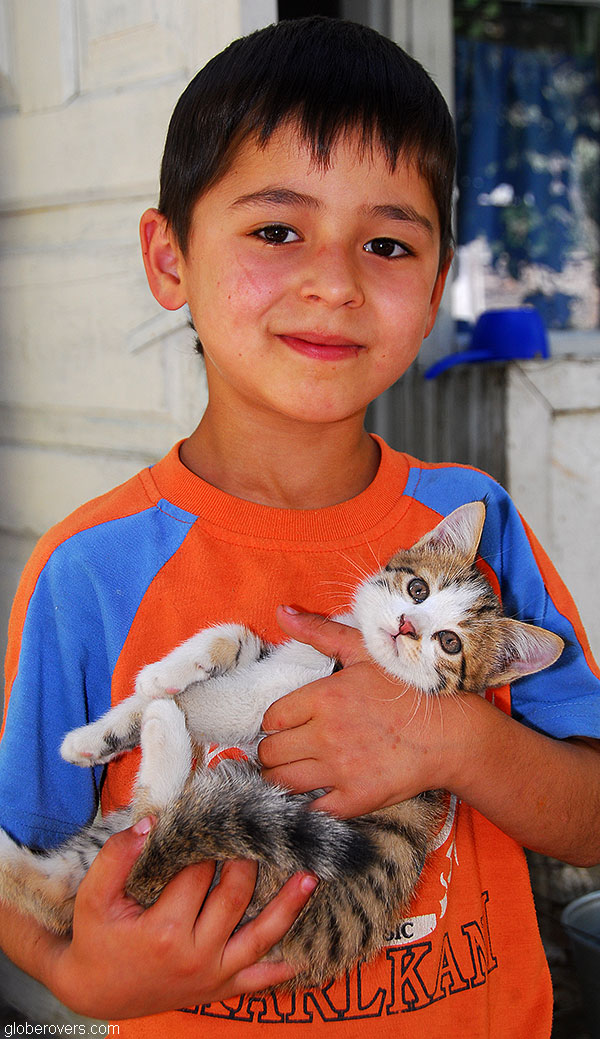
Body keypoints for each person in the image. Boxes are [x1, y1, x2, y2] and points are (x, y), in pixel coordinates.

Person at [1, 16, 599, 1038]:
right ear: (169, 257)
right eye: (277, 230)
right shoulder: (90, 570)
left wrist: (449, 735)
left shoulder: (475, 525)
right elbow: (24, 865)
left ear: (437, 280)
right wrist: (86, 983)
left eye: (388, 241)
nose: (336, 280)